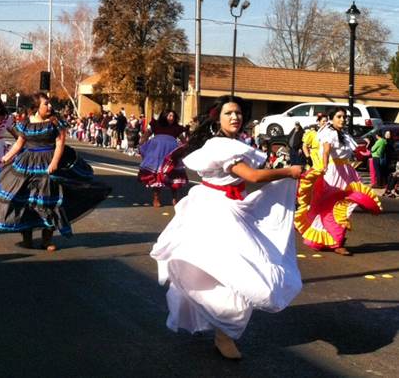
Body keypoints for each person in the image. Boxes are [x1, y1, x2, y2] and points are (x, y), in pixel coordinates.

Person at [150, 95, 303, 360]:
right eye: (229, 113)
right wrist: (288, 172)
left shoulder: (233, 144)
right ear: (217, 118)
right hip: (216, 211)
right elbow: (252, 176)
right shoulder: (221, 146)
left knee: (229, 270)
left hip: (229, 207)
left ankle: (223, 331)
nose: (235, 117)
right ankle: (224, 329)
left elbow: (250, 176)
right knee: (238, 270)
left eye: (239, 113)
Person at [0, 93, 111, 251]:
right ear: (36, 107)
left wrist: (54, 162)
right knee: (25, 202)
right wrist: (7, 157)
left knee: (48, 202)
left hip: (48, 164)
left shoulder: (55, 122)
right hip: (26, 164)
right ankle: (27, 239)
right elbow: (19, 144)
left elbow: (60, 144)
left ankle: (47, 240)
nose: (50, 106)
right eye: (46, 104)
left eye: (50, 103)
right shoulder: (25, 123)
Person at [295, 107, 382, 256]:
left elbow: (352, 152)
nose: (343, 119)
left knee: (345, 205)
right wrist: (324, 167)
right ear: (331, 118)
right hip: (334, 171)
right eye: (339, 116)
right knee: (334, 207)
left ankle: (332, 240)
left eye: (344, 117)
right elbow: (327, 151)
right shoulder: (329, 133)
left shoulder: (344, 134)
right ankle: (337, 242)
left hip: (346, 171)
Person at [138, 110, 188, 207]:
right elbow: (147, 134)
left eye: (173, 116)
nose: (172, 118)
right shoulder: (156, 124)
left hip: (171, 153)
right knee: (157, 175)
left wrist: (184, 146)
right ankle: (156, 198)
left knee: (174, 175)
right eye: (169, 115)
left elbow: (183, 140)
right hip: (157, 153)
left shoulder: (177, 128)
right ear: (164, 116)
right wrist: (143, 141)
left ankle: (174, 199)